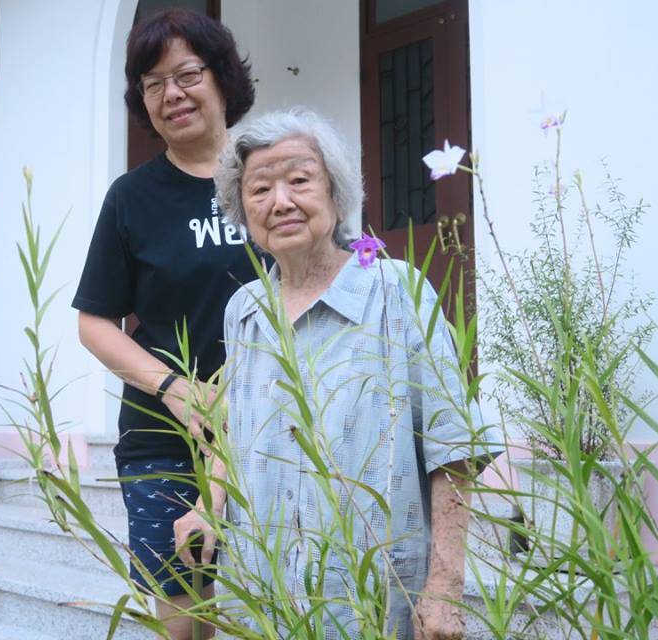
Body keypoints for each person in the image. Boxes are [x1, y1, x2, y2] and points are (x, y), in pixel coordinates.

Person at [174, 109, 502, 639]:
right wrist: (207, 506)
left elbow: (454, 444)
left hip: (372, 597)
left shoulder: (395, 292)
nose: (281, 202)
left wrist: (445, 584)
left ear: (336, 193)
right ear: (242, 208)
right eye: (260, 189)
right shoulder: (244, 309)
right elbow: (236, 431)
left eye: (300, 180)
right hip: (263, 592)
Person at [71, 8, 257, 640]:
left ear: (223, 78)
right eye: (153, 84)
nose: (171, 94)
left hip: (274, 424)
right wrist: (176, 389)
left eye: (187, 75)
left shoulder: (271, 175)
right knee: (183, 617)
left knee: (282, 600)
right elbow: (95, 323)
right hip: (162, 436)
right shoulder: (132, 197)